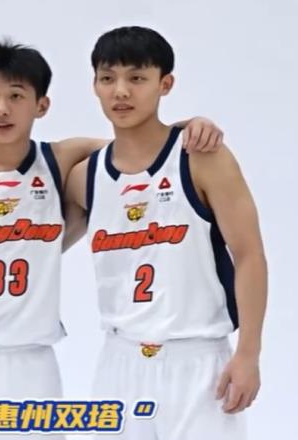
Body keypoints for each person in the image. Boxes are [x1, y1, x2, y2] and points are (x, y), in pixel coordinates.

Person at [0, 38, 223, 439]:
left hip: (29, 363)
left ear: (41, 105)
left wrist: (191, 125)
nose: (1, 108)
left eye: (16, 96)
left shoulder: (61, 160)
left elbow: (143, 146)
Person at [64, 26, 267, 440]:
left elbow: (249, 255)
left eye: (137, 78)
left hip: (197, 362)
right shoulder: (85, 177)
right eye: (108, 78)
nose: (121, 91)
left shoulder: (202, 159)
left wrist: (249, 354)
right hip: (118, 363)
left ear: (165, 83)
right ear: (95, 86)